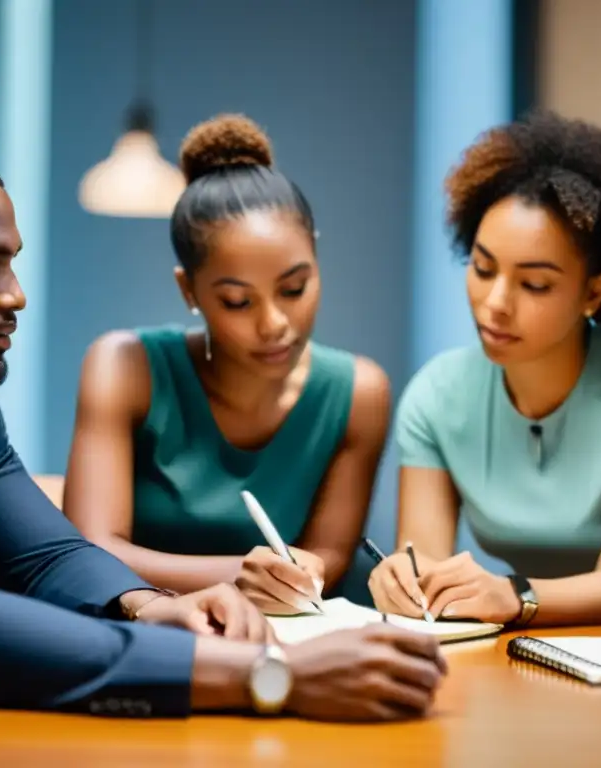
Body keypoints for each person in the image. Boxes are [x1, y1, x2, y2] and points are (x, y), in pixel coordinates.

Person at [0, 140, 446, 719]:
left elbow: (47, 556)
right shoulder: (116, 366)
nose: (16, 294)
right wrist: (266, 675)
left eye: (11, 263)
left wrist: (149, 605)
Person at [368, 111, 601, 630]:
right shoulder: (437, 394)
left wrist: (514, 599)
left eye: (534, 285)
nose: (495, 303)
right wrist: (404, 581)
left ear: (594, 292)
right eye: (482, 268)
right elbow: (422, 560)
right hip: (536, 648)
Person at [63, 114, 390, 614]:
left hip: (287, 647)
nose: (274, 323)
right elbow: (91, 550)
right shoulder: (124, 367)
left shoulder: (359, 394)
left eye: (295, 288)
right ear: (188, 290)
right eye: (238, 301)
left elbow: (331, 554)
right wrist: (237, 575)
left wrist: (309, 571)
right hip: (144, 633)